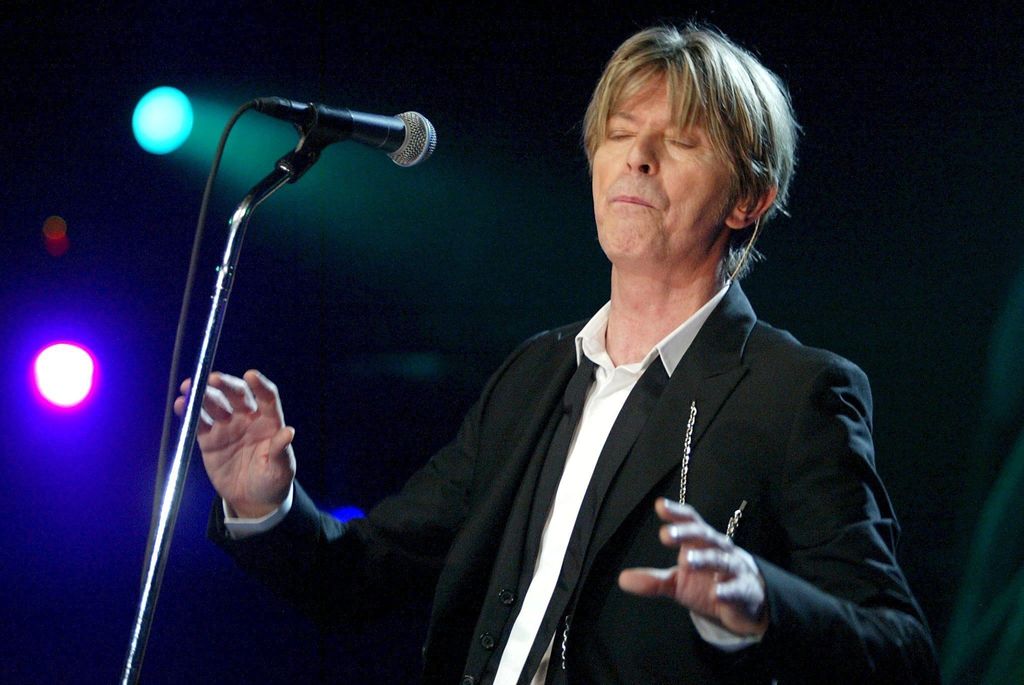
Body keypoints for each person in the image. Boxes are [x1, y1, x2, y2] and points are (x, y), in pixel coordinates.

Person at [178, 24, 940, 683]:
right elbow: (361, 575)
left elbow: (900, 651)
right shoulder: (534, 374)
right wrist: (265, 505)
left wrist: (760, 604)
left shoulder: (796, 393)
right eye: (620, 132)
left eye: (681, 141)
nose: (638, 157)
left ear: (749, 199)